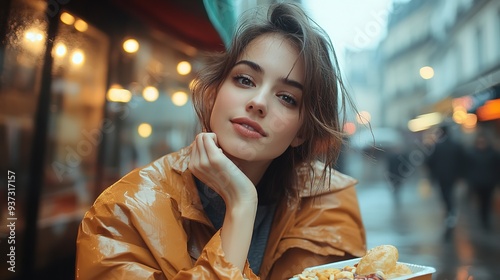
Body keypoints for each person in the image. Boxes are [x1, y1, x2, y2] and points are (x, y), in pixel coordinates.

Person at [75, 3, 367, 279]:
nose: (258, 102)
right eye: (245, 80)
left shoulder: (327, 203)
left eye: (287, 98)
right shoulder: (124, 212)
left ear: (301, 133)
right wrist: (240, 206)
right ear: (213, 94)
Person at [425, 125, 465, 232]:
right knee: (449, 192)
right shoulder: (456, 145)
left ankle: (449, 211)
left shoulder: (437, 146)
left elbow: (429, 161)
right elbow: (463, 160)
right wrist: (460, 175)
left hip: (441, 175)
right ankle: (451, 211)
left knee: (444, 193)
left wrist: (432, 174)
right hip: (452, 175)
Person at [463, 133, 500, 230]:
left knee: (487, 202)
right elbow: (468, 169)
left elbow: (496, 168)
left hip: (489, 183)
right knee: (481, 202)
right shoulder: (472, 153)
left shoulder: (493, 153)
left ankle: (486, 219)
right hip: (478, 183)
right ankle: (483, 219)